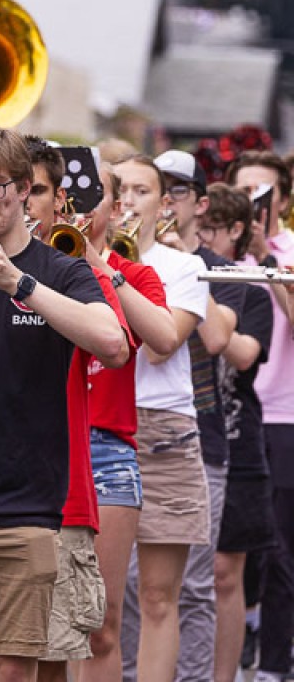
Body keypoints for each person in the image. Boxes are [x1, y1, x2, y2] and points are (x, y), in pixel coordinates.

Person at [0, 125, 126, 682]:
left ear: (21, 190)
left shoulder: (58, 270)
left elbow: (111, 343)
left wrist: (20, 283)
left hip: (27, 505)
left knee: (14, 668)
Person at [112, 155, 216, 682]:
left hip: (163, 432)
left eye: (141, 190)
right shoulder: (78, 255)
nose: (129, 200)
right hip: (102, 423)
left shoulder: (182, 266)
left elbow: (161, 345)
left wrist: (116, 271)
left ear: (163, 204)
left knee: (157, 596)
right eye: (120, 190)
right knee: (97, 602)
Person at [74, 163, 176, 682]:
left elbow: (162, 335)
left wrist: (98, 264)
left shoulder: (134, 274)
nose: (77, 204)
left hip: (109, 452)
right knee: (36, 625)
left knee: (100, 625)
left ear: (115, 210)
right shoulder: (33, 267)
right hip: (44, 445)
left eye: (92, 195)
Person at [194, 183, 276, 682]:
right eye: (197, 228)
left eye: (210, 231)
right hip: (183, 438)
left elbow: (243, 353)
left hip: (237, 437)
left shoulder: (249, 286)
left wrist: (193, 280)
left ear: (236, 232)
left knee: (226, 573)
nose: (201, 238)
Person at [225, 150, 294, 682]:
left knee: (279, 548)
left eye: (263, 195)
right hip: (229, 413)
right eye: (243, 192)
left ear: (283, 202)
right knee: (231, 548)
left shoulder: (288, 251)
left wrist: (269, 267)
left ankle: (272, 663)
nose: (254, 205)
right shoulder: (216, 250)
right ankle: (242, 621)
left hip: (284, 413)